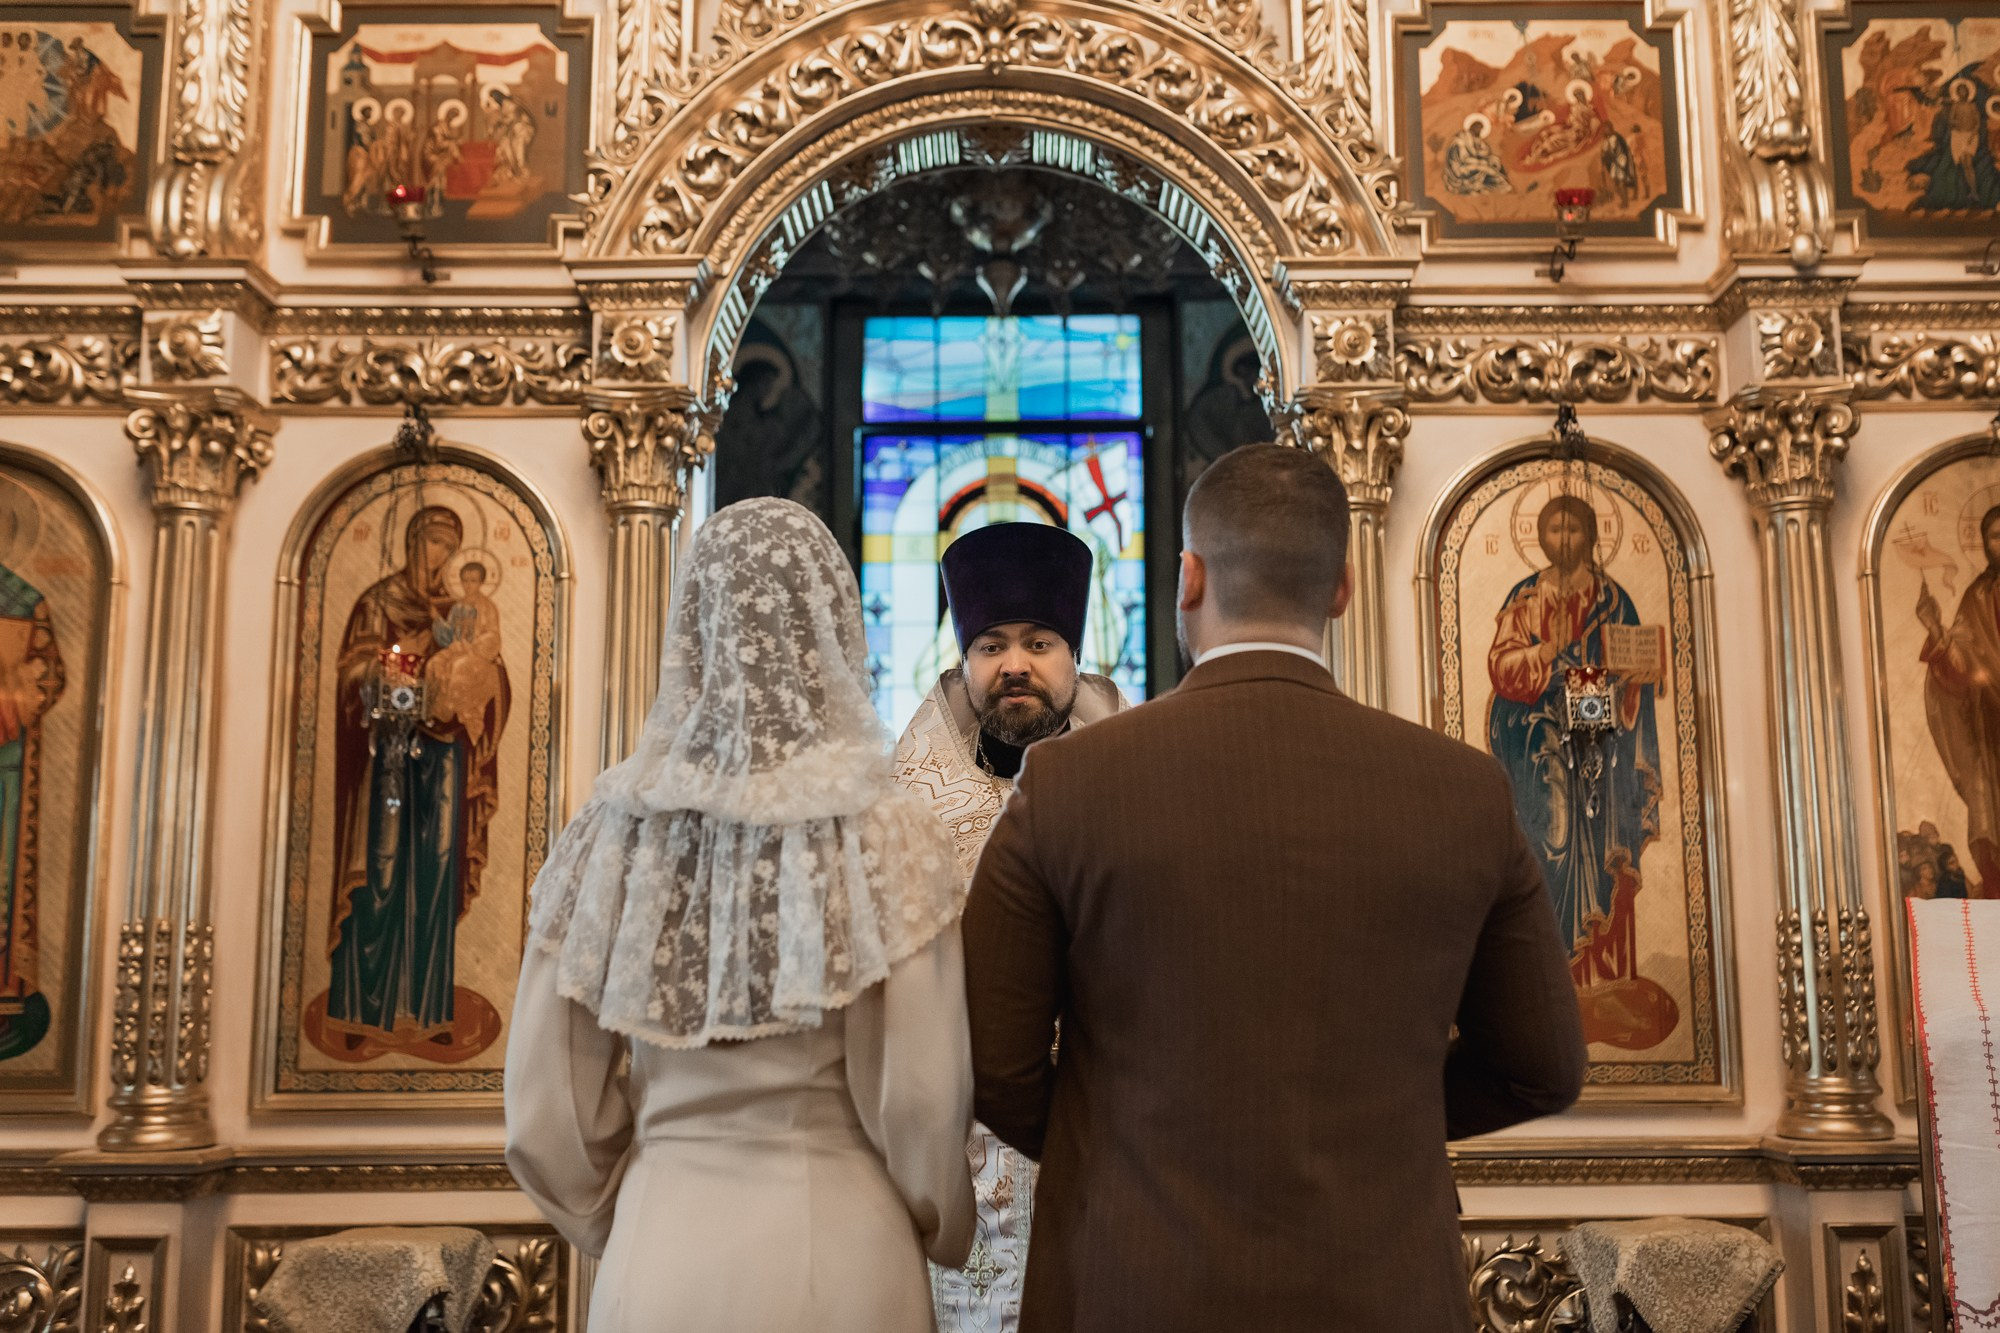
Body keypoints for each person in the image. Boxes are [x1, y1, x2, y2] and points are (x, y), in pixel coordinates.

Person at [963, 444, 1586, 1332]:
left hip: (1134, 1279)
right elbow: (1544, 1066)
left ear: (1188, 578)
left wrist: (1123, 1132)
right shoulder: (1464, 789)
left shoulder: (1068, 783)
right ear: (1340, 588)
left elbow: (991, 1063)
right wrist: (1378, 1111)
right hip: (1382, 1287)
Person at [506, 498, 976, 1333]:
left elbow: (548, 1117)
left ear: (694, 628)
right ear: (833, 629)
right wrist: (941, 1220)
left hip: (660, 1251)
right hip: (845, 1250)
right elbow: (922, 1098)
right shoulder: (887, 833)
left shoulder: (610, 835)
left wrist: (631, 1211)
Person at [892, 521, 1125, 1333]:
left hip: (1106, 1134)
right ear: (964, 661)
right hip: (960, 1141)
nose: (1014, 664)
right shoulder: (903, 809)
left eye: (1038, 642)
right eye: (991, 644)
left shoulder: (1137, 781)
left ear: (1074, 656)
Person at [1917, 504, 2000, 897]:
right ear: (1984, 546)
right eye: (1996, 537)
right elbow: (1961, 667)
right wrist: (1937, 632)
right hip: (1993, 732)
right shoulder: (1977, 596)